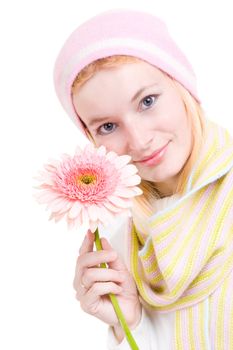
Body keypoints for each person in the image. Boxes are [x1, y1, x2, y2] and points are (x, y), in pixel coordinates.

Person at [53, 9, 233, 349]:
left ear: (183, 86)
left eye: (147, 101)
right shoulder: (119, 242)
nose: (138, 140)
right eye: (107, 126)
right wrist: (130, 324)